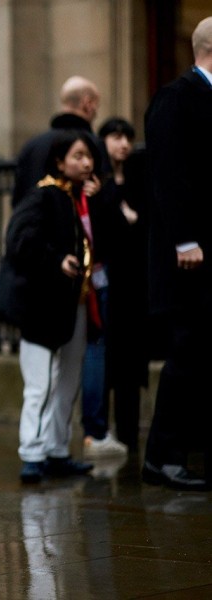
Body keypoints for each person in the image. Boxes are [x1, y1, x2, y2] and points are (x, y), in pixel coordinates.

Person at [0, 130, 100, 484]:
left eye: (88, 156)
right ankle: (32, 453)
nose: (86, 162)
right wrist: (56, 259)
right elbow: (19, 240)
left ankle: (56, 450)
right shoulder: (44, 195)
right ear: (59, 162)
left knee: (68, 381)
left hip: (73, 305)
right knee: (40, 383)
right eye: (77, 156)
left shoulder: (79, 200)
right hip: (41, 307)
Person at [141, 17, 212, 491]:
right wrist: (185, 239)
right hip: (191, 257)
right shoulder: (176, 96)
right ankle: (162, 457)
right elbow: (168, 176)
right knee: (187, 352)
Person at [82, 117, 146, 456]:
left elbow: (144, 224)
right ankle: (100, 432)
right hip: (108, 283)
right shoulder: (98, 184)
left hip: (133, 283)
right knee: (104, 356)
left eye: (128, 137)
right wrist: (122, 211)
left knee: (130, 364)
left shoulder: (138, 178)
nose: (124, 144)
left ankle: (130, 436)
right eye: (116, 136)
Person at [12, 76, 102, 207]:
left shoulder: (31, 146)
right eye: (96, 106)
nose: (86, 163)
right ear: (87, 103)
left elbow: (18, 198)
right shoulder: (94, 144)